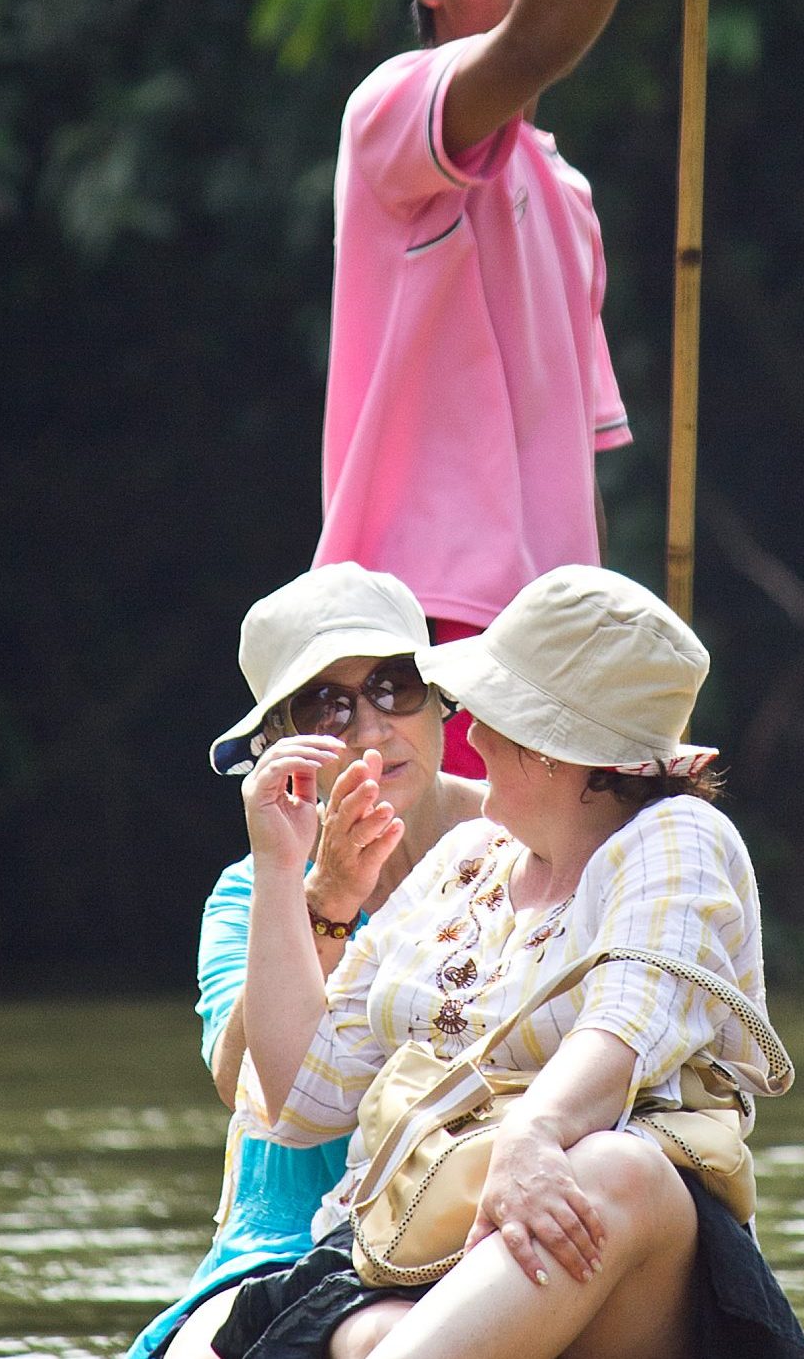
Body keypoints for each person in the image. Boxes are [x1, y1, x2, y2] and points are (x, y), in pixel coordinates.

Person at [177, 565, 804, 1359]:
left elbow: (628, 1019)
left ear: (551, 747)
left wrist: (533, 1135)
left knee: (616, 1165)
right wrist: (282, 869)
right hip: (419, 1246)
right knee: (367, 1330)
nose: (470, 732)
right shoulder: (470, 855)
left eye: (494, 711)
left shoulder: (678, 835)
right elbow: (303, 1096)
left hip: (624, 1254)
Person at [312, 0, 740, 774]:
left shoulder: (568, 196)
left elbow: (572, 469)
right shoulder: (394, 111)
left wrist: (608, 677)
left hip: (543, 659)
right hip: (419, 639)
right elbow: (537, 42)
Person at [128, 563, 483, 1359]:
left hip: (469, 1213)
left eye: (394, 686)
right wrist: (313, 892)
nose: (371, 730)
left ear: (439, 698)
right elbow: (242, 1084)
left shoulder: (524, 840)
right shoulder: (251, 888)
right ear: (273, 745)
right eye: (326, 705)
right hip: (284, 1240)